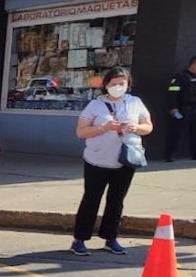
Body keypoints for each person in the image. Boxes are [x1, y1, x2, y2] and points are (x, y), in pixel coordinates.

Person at [70, 66, 153, 256]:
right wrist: (104, 128)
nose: (118, 87)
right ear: (106, 85)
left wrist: (137, 127)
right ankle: (80, 239)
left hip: (125, 161)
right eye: (113, 84)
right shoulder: (95, 105)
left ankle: (110, 237)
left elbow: (148, 126)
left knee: (116, 201)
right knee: (91, 199)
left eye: (122, 84)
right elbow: (81, 132)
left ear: (128, 85)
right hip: (97, 160)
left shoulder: (135, 102)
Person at [165, 56, 196, 161]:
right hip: (183, 109)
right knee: (178, 132)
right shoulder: (181, 77)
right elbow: (173, 93)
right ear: (193, 64)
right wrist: (173, 107)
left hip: (195, 108)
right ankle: (171, 154)